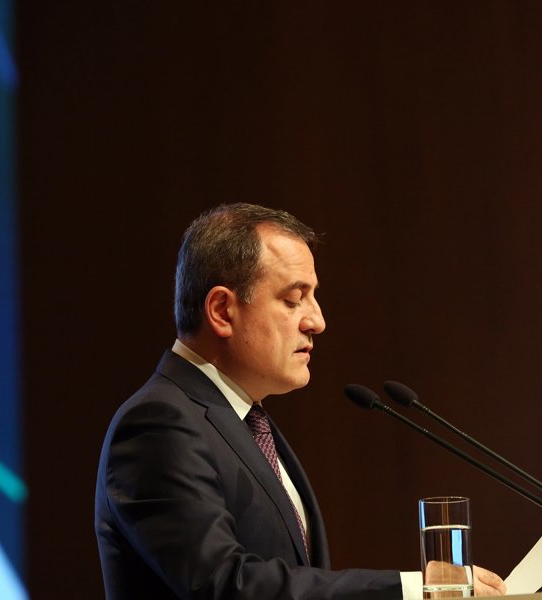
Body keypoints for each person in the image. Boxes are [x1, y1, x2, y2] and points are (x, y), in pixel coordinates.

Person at [95, 203, 506, 599]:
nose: (317, 321)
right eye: (294, 300)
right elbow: (224, 584)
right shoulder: (159, 424)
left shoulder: (246, 419)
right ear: (222, 310)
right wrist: (413, 589)